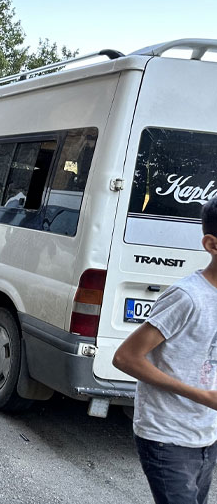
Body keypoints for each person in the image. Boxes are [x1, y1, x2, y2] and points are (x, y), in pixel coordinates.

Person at [112, 197, 217, 504]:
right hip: (166, 435)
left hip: (206, 433)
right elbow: (125, 357)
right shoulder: (188, 296)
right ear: (212, 244)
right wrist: (203, 397)